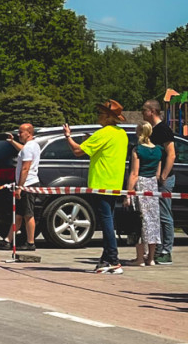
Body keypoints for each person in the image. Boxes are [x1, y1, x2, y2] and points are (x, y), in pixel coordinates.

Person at [63, 99, 129, 274]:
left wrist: (68, 136)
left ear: (108, 117)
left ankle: (113, 259)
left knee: (106, 220)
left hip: (101, 182)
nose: (98, 116)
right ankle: (106, 258)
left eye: (101, 114)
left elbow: (78, 151)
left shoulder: (104, 133)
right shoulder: (121, 134)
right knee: (108, 219)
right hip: (115, 182)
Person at [0, 124, 40, 251]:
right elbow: (23, 150)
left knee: (28, 214)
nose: (18, 134)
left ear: (29, 133)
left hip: (27, 184)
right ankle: (8, 240)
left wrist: (20, 187)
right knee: (18, 214)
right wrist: (12, 141)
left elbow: (25, 168)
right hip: (28, 183)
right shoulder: (33, 145)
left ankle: (30, 243)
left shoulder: (28, 148)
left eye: (21, 132)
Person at [141, 100, 175, 264]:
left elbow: (171, 154)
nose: (142, 113)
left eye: (144, 110)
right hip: (153, 177)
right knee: (156, 215)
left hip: (165, 179)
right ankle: (158, 250)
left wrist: (163, 176)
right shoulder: (151, 130)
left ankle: (166, 251)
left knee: (164, 215)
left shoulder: (164, 130)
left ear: (152, 111)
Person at [125, 121, 162, 266]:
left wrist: (128, 193)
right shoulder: (159, 150)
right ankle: (151, 258)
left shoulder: (137, 150)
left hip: (141, 184)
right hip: (152, 185)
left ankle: (140, 258)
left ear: (139, 133)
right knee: (153, 221)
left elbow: (134, 173)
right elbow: (158, 174)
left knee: (140, 221)